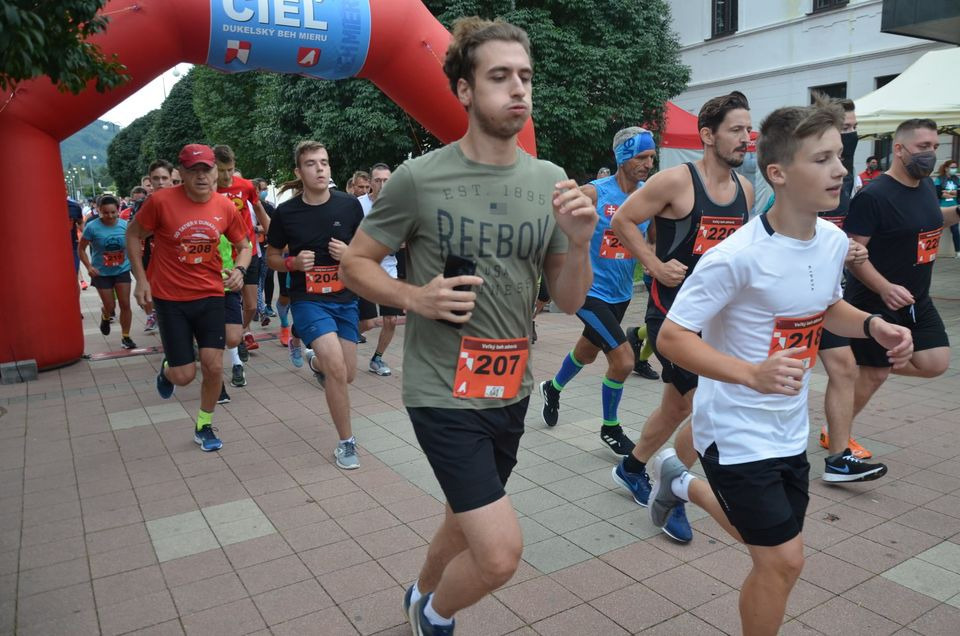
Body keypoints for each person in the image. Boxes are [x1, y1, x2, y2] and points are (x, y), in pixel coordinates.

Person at [341, 17, 596, 635]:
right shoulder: (419, 178)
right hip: (440, 388)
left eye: (525, 76)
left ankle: (420, 591)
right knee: (499, 552)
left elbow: (568, 299)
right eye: (500, 76)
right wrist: (415, 297)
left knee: (464, 514)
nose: (518, 89)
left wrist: (580, 243)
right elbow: (355, 263)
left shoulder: (549, 180)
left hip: (510, 385)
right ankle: (434, 614)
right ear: (463, 89)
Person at [647, 99, 913, 636]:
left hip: (789, 427)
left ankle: (679, 483)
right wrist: (751, 374)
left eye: (839, 156)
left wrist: (872, 325)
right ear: (778, 173)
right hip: (733, 431)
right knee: (783, 561)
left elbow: (824, 306)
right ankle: (682, 481)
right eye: (822, 159)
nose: (840, 170)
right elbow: (673, 337)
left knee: (769, 547)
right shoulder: (735, 257)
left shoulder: (832, 241)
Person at [609, 91, 754, 543]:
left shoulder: (746, 190)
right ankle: (673, 489)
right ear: (707, 135)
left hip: (717, 321)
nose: (746, 138)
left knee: (678, 406)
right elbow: (622, 221)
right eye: (736, 129)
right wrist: (653, 265)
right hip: (673, 319)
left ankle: (632, 467)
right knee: (706, 405)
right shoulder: (675, 181)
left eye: (748, 129)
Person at [539, 127, 657, 456]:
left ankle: (552, 388)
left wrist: (653, 259)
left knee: (587, 352)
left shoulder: (648, 196)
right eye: (641, 157)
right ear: (622, 157)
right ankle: (610, 428)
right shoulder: (594, 192)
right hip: (588, 292)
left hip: (621, 294)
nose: (648, 164)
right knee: (623, 360)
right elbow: (554, 220)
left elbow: (652, 240)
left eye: (651, 157)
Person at [126, 144, 251, 452]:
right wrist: (141, 279)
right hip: (171, 299)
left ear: (215, 171)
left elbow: (244, 245)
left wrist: (240, 269)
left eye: (206, 169)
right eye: (193, 170)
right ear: (180, 172)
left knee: (213, 366)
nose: (201, 176)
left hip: (211, 295)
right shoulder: (160, 202)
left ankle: (204, 424)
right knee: (184, 376)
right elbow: (133, 234)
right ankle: (168, 369)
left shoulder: (224, 206)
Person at [845, 119, 960, 424]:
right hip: (875, 301)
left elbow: (932, 219)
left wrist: (957, 212)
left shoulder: (925, 186)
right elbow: (852, 256)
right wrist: (884, 287)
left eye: (934, 146)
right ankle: (836, 430)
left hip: (916, 299)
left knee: (935, 361)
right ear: (899, 149)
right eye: (923, 146)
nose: (931, 153)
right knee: (875, 374)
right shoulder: (873, 196)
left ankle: (858, 360)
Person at [265, 141, 365, 470]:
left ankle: (314, 360)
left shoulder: (349, 205)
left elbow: (367, 249)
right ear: (299, 171)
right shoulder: (286, 213)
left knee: (347, 374)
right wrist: (292, 262)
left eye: (324, 162)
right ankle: (346, 443)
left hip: (345, 299)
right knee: (336, 368)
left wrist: (349, 254)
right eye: (311, 163)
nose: (320, 168)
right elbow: (271, 257)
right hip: (308, 300)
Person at [214, 145, 271, 362]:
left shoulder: (246, 186)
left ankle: (242, 331)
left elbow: (260, 211)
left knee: (252, 305)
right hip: (220, 256)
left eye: (230, 169)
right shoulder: (208, 189)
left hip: (247, 251)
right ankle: (229, 337)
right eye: (221, 170)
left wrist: (276, 236)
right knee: (222, 304)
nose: (226, 176)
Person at [356, 163, 403, 375]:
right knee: (367, 323)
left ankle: (377, 358)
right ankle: (334, 343)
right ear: (370, 183)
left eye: (386, 180)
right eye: (378, 180)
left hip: (388, 269)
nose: (382, 185)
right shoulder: (357, 205)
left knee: (391, 320)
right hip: (362, 269)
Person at [79, 195, 137, 349]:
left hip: (122, 269)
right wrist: (89, 267)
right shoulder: (92, 227)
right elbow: (81, 249)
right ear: (99, 211)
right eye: (105, 213)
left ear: (118, 210)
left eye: (113, 212)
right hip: (101, 272)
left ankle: (126, 337)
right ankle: (105, 315)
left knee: (125, 304)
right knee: (110, 306)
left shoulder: (125, 225)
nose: (110, 216)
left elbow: (133, 245)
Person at [933, 159, 959, 255]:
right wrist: (953, 193)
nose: (954, 169)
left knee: (955, 230)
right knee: (937, 231)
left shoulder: (957, 179)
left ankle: (958, 252)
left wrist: (947, 192)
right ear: (946, 168)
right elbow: (938, 193)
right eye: (952, 167)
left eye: (955, 167)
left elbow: (958, 193)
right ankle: (933, 251)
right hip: (942, 208)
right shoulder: (939, 179)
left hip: (954, 208)